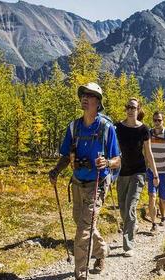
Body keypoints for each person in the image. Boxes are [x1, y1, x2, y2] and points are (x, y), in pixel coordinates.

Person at [49, 82, 121, 279]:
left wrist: (106, 162)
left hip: (98, 183)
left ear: (98, 102)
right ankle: (101, 250)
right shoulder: (74, 127)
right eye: (83, 95)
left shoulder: (107, 129)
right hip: (78, 182)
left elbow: (117, 160)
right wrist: (56, 170)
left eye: (89, 96)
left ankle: (80, 274)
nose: (84, 98)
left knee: (83, 230)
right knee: (82, 222)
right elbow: (66, 155)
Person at [115, 98, 159, 257]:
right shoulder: (118, 127)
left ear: (138, 109)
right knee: (122, 207)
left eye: (133, 107)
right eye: (127, 107)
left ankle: (128, 245)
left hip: (139, 172)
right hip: (122, 172)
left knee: (131, 206)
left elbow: (148, 153)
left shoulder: (144, 129)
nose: (130, 110)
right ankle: (133, 224)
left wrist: (154, 173)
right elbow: (112, 147)